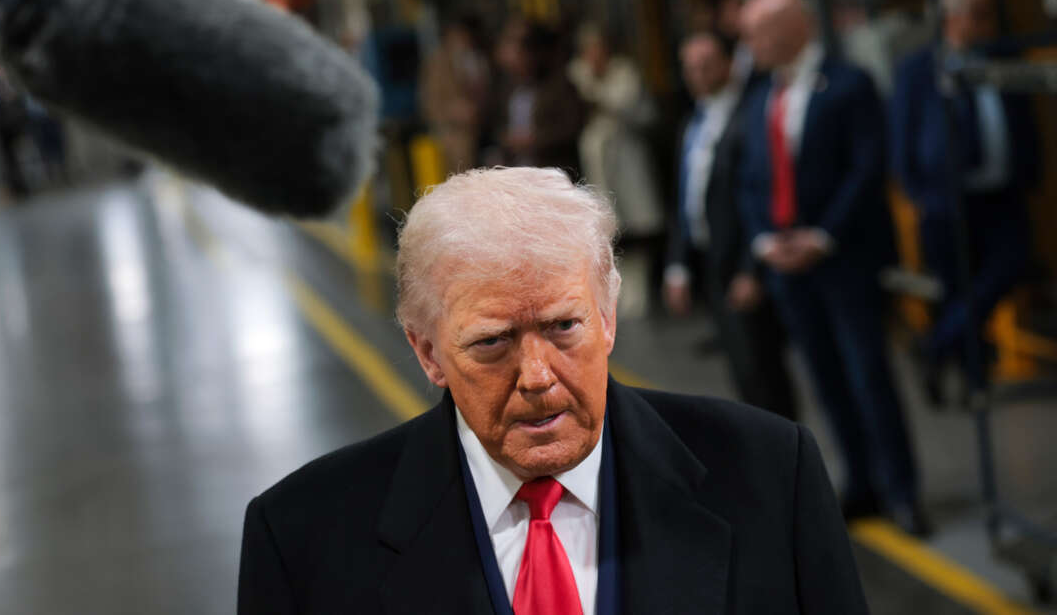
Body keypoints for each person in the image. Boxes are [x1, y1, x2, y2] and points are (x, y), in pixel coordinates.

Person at [238, 167, 868, 614]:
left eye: (564, 326)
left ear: (610, 317)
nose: (537, 376)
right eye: (492, 342)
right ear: (427, 351)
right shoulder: (301, 540)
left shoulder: (770, 475)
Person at [736, 0, 928, 535]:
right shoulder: (761, 99)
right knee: (826, 381)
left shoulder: (849, 85)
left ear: (793, 28)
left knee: (869, 375)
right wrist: (765, 242)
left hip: (843, 261)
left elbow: (866, 169)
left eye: (757, 33)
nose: (749, 45)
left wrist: (821, 236)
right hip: (788, 268)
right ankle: (861, 484)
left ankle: (902, 491)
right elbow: (751, 179)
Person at [890, 0, 1039, 396]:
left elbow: (1024, 118)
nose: (986, 24)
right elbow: (902, 133)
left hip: (1002, 192)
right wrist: (918, 192)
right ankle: (971, 378)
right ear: (952, 17)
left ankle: (936, 346)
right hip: (947, 198)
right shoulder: (919, 68)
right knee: (957, 285)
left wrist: (1031, 171)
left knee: (1007, 267)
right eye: (977, 15)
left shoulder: (1001, 56)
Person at [664, 31, 798, 422]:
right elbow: (684, 199)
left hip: (742, 264)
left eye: (706, 65)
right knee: (742, 374)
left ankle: (786, 463)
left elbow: (757, 198)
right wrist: (677, 266)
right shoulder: (692, 122)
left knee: (764, 375)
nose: (698, 75)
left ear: (727, 65)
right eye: (690, 68)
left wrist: (751, 269)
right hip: (709, 263)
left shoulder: (749, 115)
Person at [567, 24, 662, 239]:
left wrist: (593, 91)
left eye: (598, 48)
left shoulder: (624, 72)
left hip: (626, 152)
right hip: (595, 157)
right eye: (588, 49)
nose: (594, 55)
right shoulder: (577, 73)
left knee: (637, 221)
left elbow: (623, 104)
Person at [489, 23, 586, 179]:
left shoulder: (559, 85)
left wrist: (535, 140)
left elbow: (573, 126)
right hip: (520, 176)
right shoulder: (508, 88)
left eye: (519, 52)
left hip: (553, 174)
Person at [420, 15, 491, 174]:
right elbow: (430, 103)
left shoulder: (483, 57)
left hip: (487, 134)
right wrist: (452, 112)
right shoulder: (438, 63)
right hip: (458, 139)